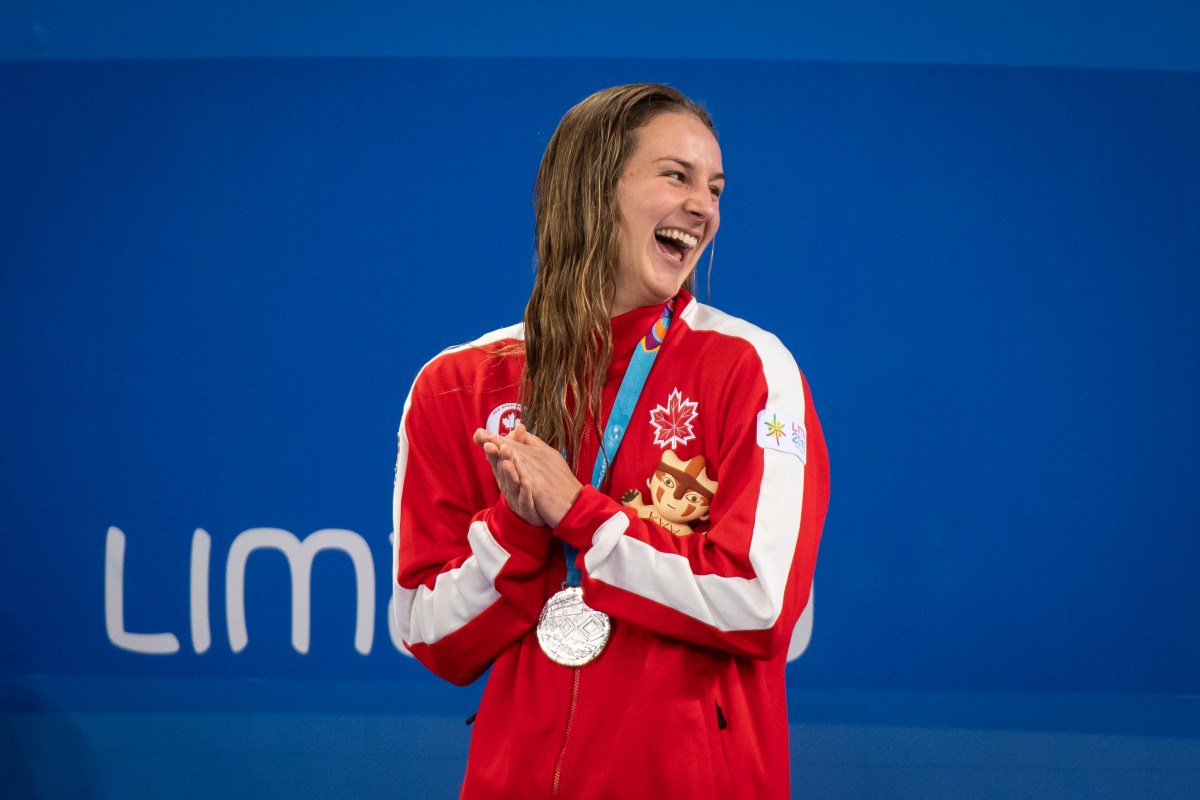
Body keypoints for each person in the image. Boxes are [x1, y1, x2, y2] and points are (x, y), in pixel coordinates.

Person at [393, 83, 829, 800]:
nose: (704, 207)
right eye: (676, 176)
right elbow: (428, 633)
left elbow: (761, 601)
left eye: (715, 188)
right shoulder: (458, 385)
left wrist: (581, 514)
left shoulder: (749, 367)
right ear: (595, 189)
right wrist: (515, 531)